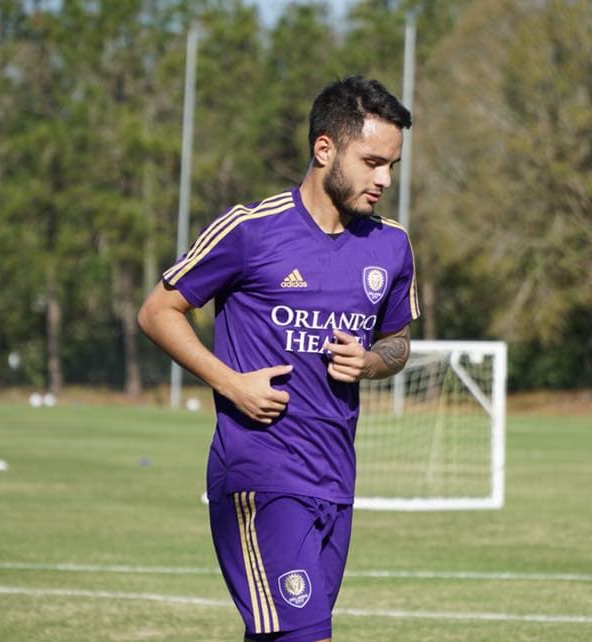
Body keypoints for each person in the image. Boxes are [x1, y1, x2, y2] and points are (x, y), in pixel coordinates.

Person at [138, 75, 418, 642]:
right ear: (324, 149)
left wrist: (369, 362)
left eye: (391, 165)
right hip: (259, 471)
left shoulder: (391, 245)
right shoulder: (251, 231)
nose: (384, 179)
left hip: (336, 478)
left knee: (281, 633)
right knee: (304, 634)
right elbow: (157, 311)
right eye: (371, 162)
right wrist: (231, 383)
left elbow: (398, 343)